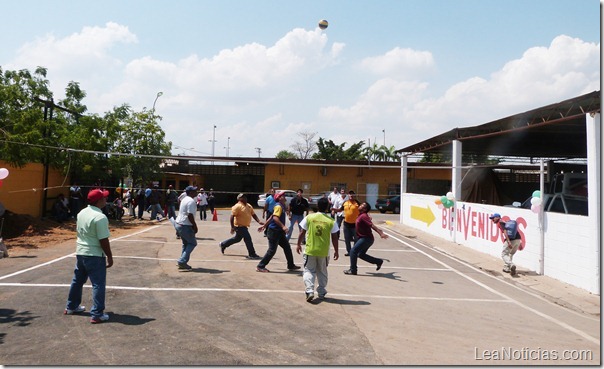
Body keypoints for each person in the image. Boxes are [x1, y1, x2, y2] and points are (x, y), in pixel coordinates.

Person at [64, 188, 113, 324]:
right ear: (99, 201)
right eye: (103, 198)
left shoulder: (82, 213)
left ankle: (71, 306)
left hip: (81, 252)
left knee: (77, 280)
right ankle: (97, 313)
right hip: (95, 254)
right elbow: (103, 239)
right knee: (98, 284)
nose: (105, 199)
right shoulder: (100, 217)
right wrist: (109, 256)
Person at [296, 197, 339, 302]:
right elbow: (334, 237)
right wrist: (336, 251)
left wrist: (298, 244)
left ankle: (309, 290)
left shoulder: (309, 217)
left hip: (310, 250)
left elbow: (302, 231)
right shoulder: (331, 221)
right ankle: (321, 291)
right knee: (322, 271)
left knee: (309, 270)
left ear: (317, 206)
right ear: (328, 208)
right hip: (323, 252)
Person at [256, 192, 301, 273]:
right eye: (282, 196)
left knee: (287, 247)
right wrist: (283, 227)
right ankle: (260, 266)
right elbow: (275, 218)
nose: (284, 197)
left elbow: (271, 217)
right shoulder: (278, 206)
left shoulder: (281, 206)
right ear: (279, 198)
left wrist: (264, 226)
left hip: (279, 232)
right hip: (274, 231)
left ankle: (290, 265)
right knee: (272, 250)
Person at [344, 202, 389, 275]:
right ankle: (378, 261)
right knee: (360, 254)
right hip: (365, 238)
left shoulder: (363, 216)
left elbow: (372, 225)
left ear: (364, 209)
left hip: (366, 239)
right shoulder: (362, 215)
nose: (360, 205)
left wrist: (380, 233)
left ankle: (353, 270)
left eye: (362, 205)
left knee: (353, 251)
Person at [219, 193, 264, 259]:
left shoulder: (248, 205)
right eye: (242, 197)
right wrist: (232, 227)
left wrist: (259, 221)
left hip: (244, 226)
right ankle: (252, 254)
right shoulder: (237, 206)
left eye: (245, 197)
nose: (245, 198)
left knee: (237, 239)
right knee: (248, 238)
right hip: (239, 226)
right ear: (239, 199)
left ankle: (223, 244)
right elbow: (232, 217)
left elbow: (253, 214)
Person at [175, 186, 199, 270]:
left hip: (179, 223)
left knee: (186, 243)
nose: (196, 192)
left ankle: (182, 261)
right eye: (194, 191)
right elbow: (190, 215)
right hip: (185, 225)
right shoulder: (191, 201)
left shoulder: (184, 199)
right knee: (192, 243)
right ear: (190, 192)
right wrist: (194, 226)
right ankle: (182, 261)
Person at [342, 190, 361, 256]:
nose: (351, 195)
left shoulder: (357, 203)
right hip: (346, 224)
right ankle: (349, 251)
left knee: (356, 239)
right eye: (350, 194)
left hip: (355, 225)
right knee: (347, 239)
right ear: (348, 195)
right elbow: (340, 209)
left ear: (354, 196)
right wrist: (334, 210)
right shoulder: (345, 202)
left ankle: (354, 251)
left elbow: (362, 211)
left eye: (352, 194)